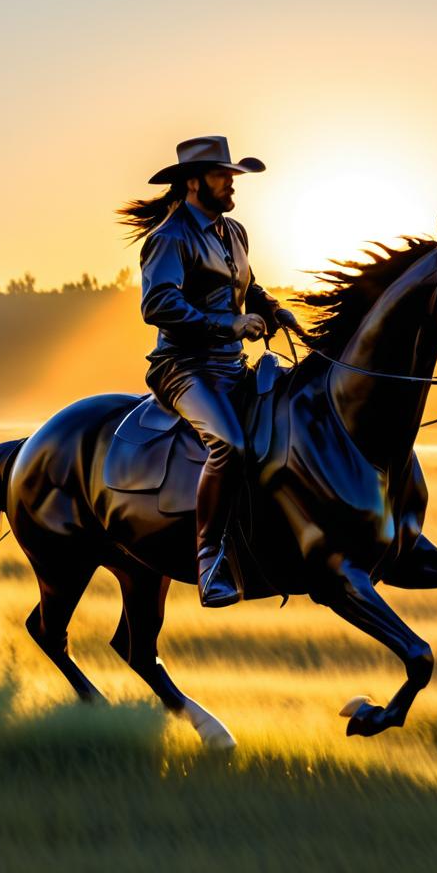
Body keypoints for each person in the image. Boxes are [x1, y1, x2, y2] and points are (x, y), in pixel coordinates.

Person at [118, 135, 303, 607]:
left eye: (233, 176)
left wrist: (272, 309)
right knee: (230, 443)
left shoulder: (234, 232)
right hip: (182, 368)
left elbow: (248, 285)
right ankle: (209, 561)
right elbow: (159, 304)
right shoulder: (168, 237)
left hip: (229, 367)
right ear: (194, 182)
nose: (232, 185)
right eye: (224, 176)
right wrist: (230, 324)